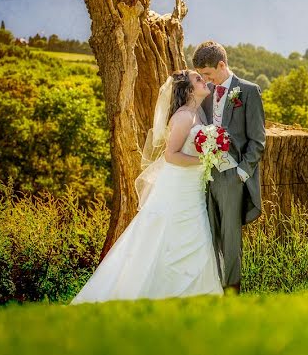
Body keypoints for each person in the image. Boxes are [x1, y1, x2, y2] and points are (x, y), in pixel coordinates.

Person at [70, 70, 223, 304]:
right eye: (198, 79)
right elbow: (171, 156)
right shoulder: (183, 117)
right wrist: (206, 162)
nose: (204, 81)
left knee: (195, 235)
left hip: (192, 188)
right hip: (178, 189)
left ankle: (196, 297)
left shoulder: (198, 114)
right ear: (189, 90)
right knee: (167, 237)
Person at [193, 41, 266, 295]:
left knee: (231, 237)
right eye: (201, 75)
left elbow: (257, 141)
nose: (205, 79)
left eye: (208, 74)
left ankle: (232, 291)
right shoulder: (206, 93)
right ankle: (212, 287)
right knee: (208, 231)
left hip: (233, 176)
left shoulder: (248, 91)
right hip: (205, 174)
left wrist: (241, 174)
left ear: (222, 65)